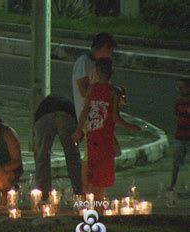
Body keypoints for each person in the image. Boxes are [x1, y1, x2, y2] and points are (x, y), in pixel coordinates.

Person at [73, 58, 140, 205]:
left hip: (92, 136)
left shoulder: (92, 89)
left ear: (96, 72)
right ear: (112, 72)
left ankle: (90, 205)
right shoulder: (114, 92)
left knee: (91, 170)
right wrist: (131, 127)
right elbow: (115, 117)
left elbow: (85, 111)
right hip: (105, 139)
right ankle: (98, 208)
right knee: (101, 178)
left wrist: (79, 130)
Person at [33, 95, 82, 201]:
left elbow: (37, 148)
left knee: (42, 155)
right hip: (67, 115)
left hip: (43, 116)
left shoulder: (42, 107)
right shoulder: (71, 106)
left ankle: (43, 192)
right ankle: (79, 190)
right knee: (72, 155)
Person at [72, 32, 116, 119]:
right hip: (88, 117)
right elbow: (83, 91)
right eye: (110, 50)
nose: (111, 54)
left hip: (99, 114)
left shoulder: (101, 64)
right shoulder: (83, 62)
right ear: (104, 47)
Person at [169, 77, 190, 192]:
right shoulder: (179, 102)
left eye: (182, 87)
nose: (180, 89)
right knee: (176, 162)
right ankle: (173, 185)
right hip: (180, 135)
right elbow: (177, 117)